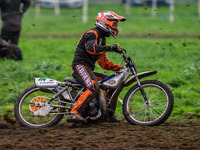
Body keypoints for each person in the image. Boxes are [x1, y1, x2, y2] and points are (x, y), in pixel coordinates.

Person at [67, 11, 126, 123]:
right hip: (79, 66)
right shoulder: (92, 33)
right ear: (104, 22)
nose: (115, 27)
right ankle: (74, 112)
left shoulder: (102, 39)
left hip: (87, 69)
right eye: (114, 25)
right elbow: (91, 48)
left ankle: (108, 114)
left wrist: (120, 68)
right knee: (93, 86)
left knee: (111, 84)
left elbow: (103, 63)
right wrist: (111, 48)